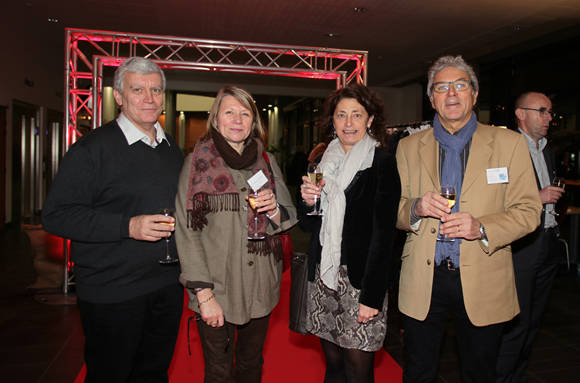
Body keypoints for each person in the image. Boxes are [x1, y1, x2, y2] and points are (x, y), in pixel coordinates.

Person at [395, 55, 542, 383]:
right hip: (424, 277)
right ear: (431, 98)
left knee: (479, 373)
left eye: (460, 85)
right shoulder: (407, 147)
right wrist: (416, 208)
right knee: (417, 371)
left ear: (474, 95)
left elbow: (530, 211)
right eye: (442, 87)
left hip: (483, 275)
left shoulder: (509, 143)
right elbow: (394, 209)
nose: (451, 93)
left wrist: (482, 227)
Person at [42, 57, 184, 382]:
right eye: (138, 89)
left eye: (156, 90)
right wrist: (128, 226)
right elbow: (56, 216)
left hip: (166, 285)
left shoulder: (170, 148)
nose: (149, 98)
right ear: (119, 96)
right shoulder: (92, 150)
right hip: (113, 290)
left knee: (153, 373)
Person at [174, 85, 297, 383]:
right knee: (218, 372)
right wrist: (204, 296)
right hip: (217, 288)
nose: (238, 120)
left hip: (260, 285)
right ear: (216, 119)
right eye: (229, 112)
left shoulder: (265, 161)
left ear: (253, 121)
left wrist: (273, 210)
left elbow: (289, 217)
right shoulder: (196, 163)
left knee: (251, 365)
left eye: (245, 113)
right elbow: (186, 231)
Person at [299, 83, 401, 383]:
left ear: (370, 120)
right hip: (325, 276)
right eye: (341, 115)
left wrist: (371, 296)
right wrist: (307, 202)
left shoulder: (382, 164)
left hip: (360, 281)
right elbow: (308, 225)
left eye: (357, 115)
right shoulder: (321, 163)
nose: (348, 123)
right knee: (333, 367)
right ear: (332, 120)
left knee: (358, 371)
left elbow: (384, 235)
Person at [496, 92, 564, 383]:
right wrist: (538, 197)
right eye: (542, 111)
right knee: (517, 323)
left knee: (534, 321)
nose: (549, 117)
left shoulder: (545, 149)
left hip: (547, 242)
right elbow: (494, 199)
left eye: (549, 112)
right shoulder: (504, 148)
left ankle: (517, 376)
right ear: (521, 114)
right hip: (522, 246)